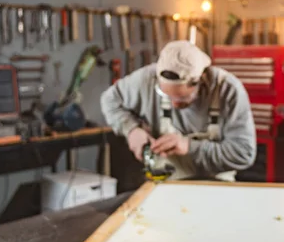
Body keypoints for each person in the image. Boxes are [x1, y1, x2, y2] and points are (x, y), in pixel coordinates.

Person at [100, 40, 256, 181]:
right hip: (166, 182)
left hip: (217, 186)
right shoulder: (146, 79)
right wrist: (131, 130)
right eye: (166, 96)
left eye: (181, 99)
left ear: (200, 80)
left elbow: (243, 154)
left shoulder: (228, 90)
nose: (174, 105)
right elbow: (109, 100)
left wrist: (189, 147)